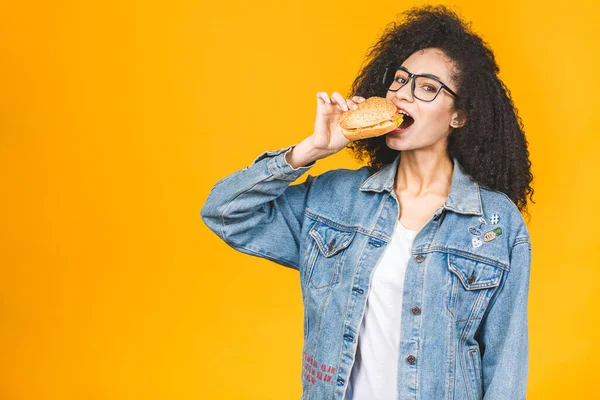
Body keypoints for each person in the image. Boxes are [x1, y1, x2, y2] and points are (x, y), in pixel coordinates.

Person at [201, 4, 534, 400]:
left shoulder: (497, 224)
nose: (402, 95)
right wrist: (309, 151)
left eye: (427, 87)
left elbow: (506, 365)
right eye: (399, 80)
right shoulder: (335, 199)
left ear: (458, 115)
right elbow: (225, 212)